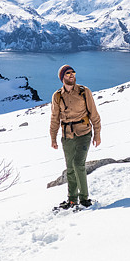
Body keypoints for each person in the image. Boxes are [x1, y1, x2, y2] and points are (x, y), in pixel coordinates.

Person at [49, 64, 101, 209]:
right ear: (62, 78)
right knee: (70, 168)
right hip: (67, 136)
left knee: (78, 164)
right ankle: (72, 199)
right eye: (68, 73)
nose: (71, 75)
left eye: (73, 72)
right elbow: (54, 119)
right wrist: (53, 138)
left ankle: (84, 199)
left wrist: (97, 134)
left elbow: (94, 115)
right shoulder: (57, 96)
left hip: (84, 133)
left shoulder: (84, 92)